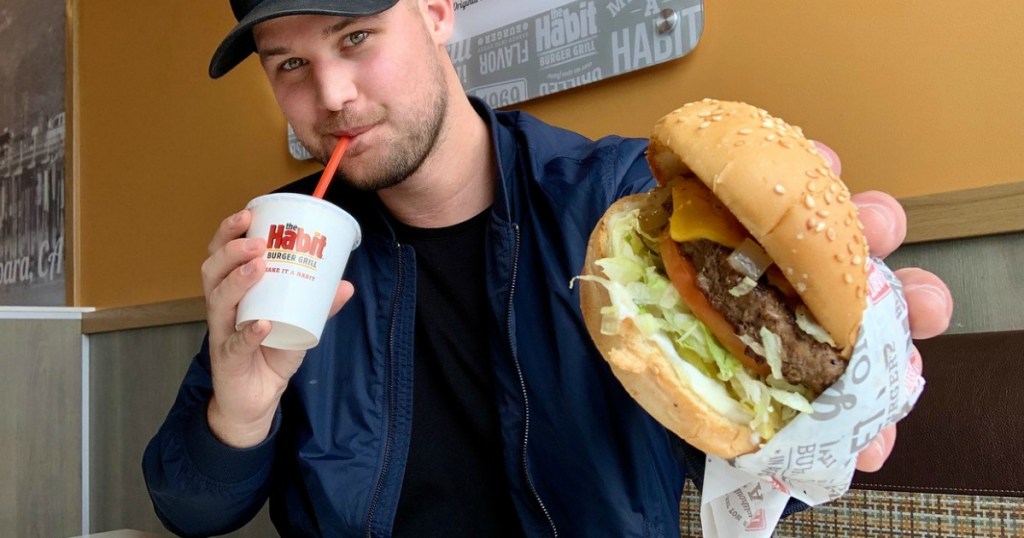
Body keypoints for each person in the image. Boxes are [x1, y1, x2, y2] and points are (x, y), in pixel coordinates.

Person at [142, 0, 954, 536]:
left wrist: (838, 388)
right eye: (289, 65)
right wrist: (240, 411)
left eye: (356, 38)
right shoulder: (292, 248)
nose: (333, 95)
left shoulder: (628, 203)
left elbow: (769, 446)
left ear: (434, 13)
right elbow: (189, 507)